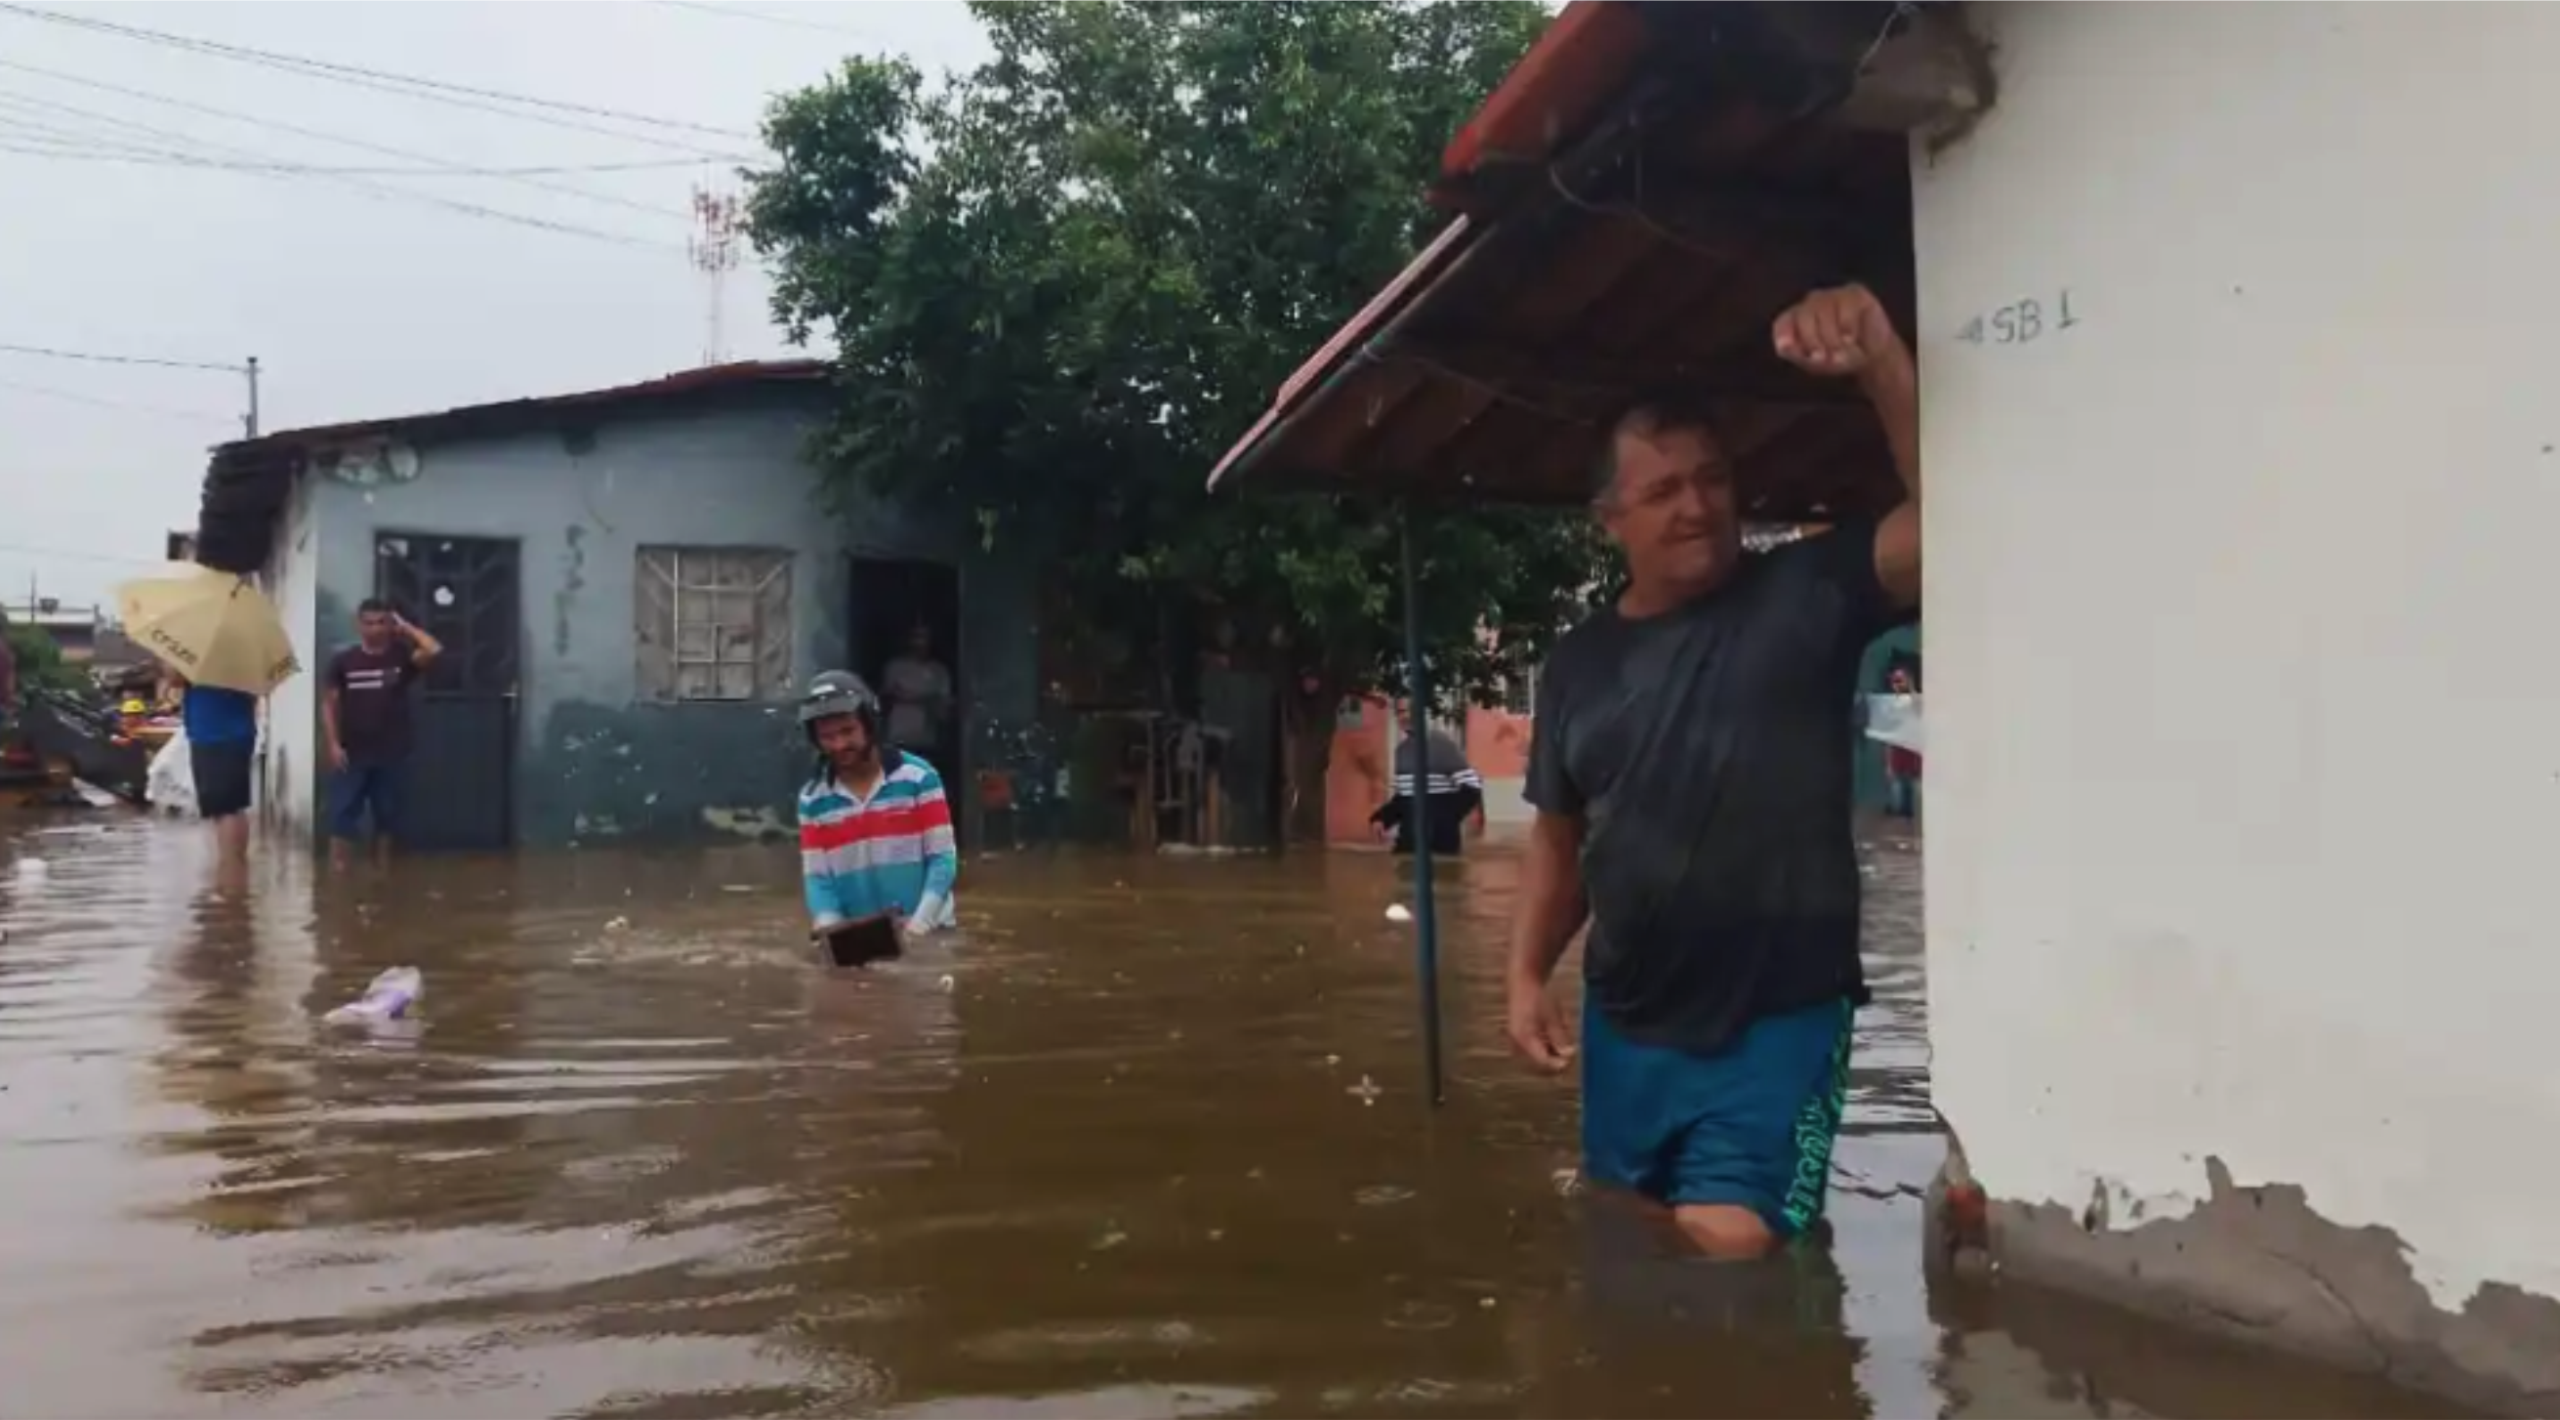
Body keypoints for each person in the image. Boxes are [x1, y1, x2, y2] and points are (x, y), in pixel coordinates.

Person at [1505, 281, 1921, 1262]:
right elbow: (1562, 839)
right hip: (1628, 1025)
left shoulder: (1807, 592)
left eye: (1712, 479)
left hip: (1777, 1021)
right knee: (1619, 1242)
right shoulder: (1575, 666)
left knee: (1727, 1249)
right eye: (1662, 490)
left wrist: (1881, 365)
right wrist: (1523, 975)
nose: (1696, 506)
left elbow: (1954, 518)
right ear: (1608, 518)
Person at [796, 670, 959, 946]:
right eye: (827, 736)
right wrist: (830, 931)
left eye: (848, 731)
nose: (839, 745)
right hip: (864, 942)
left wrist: (918, 927)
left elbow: (942, 861)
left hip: (930, 932)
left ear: (870, 723)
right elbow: (819, 879)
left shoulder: (919, 778)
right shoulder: (812, 800)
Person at [323, 598, 443, 868]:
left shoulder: (400, 657)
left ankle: (383, 881)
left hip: (392, 752)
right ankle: (338, 884)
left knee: (387, 820)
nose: (375, 629)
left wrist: (407, 629)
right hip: (351, 752)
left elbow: (433, 650)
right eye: (369, 623)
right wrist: (332, 743)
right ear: (358, 625)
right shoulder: (343, 661)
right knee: (341, 819)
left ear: (390, 625)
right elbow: (329, 704)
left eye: (381, 623)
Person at [1370, 703, 1486, 855]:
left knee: (1444, 876)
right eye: (1400, 712)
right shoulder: (1402, 751)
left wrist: (1446, 819)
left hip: (1440, 842)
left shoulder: (1442, 744)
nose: (1404, 716)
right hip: (1408, 841)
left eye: (1409, 711)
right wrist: (1383, 818)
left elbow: (1472, 787)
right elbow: (1405, 797)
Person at [181, 671, 261, 878]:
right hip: (235, 732)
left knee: (225, 808)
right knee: (233, 806)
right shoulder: (243, 657)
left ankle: (231, 871)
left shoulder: (203, 656)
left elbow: (173, 675)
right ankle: (236, 867)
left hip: (214, 733)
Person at [881, 625, 954, 762]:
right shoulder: (895, 667)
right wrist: (927, 698)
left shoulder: (939, 671)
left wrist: (909, 697)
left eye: (924, 637)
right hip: (898, 738)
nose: (919, 642)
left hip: (926, 740)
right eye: (916, 637)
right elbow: (888, 698)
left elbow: (944, 709)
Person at [1880, 665, 1922, 820]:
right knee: (1896, 785)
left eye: (1899, 681)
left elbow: (1918, 709)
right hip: (1896, 748)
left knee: (1912, 785)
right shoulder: (1890, 703)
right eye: (1894, 681)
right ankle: (1899, 814)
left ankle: (1908, 815)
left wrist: (1911, 689)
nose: (1896, 684)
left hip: (1912, 748)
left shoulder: (1915, 700)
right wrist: (1887, 756)